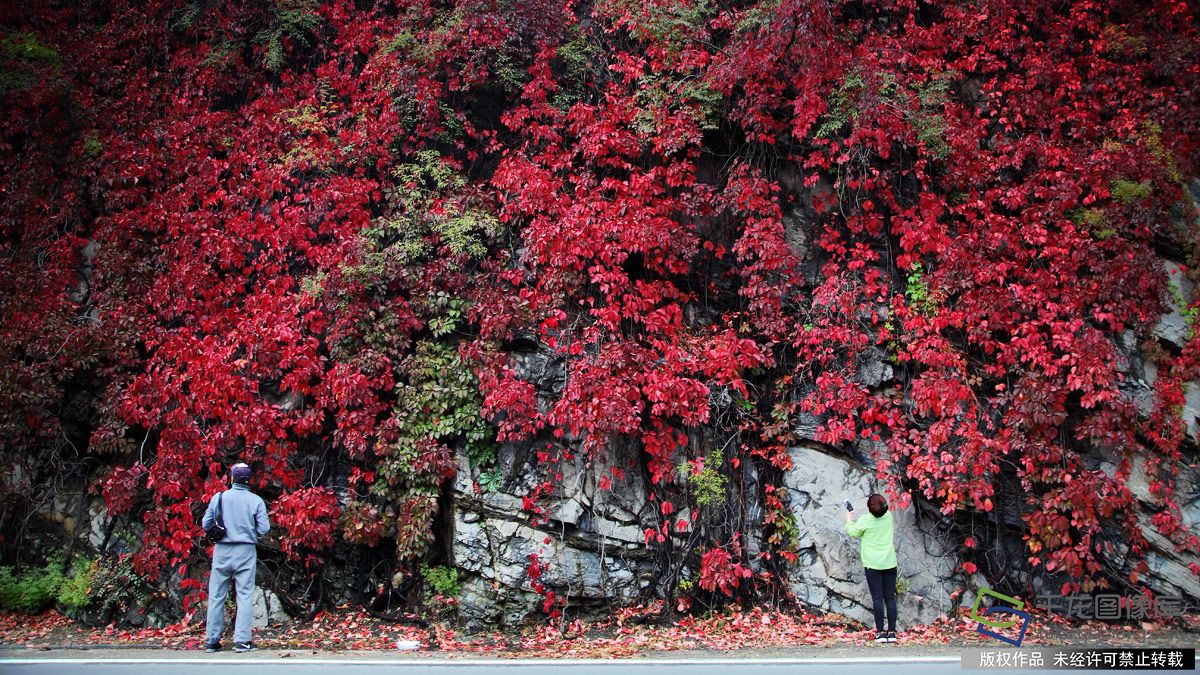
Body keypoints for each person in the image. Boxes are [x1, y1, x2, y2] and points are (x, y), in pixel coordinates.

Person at [203, 462, 270, 653]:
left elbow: (206, 523)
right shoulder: (256, 501)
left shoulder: (219, 497)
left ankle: (212, 641)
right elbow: (264, 529)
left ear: (232, 478)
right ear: (248, 480)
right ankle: (242, 641)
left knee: (216, 596)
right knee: (244, 596)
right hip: (245, 551)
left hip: (222, 550)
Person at [845, 493, 898, 643]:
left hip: (873, 565)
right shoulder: (888, 516)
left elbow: (852, 531)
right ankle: (892, 633)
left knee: (877, 598)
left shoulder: (865, 521)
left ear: (870, 509)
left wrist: (849, 516)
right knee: (890, 598)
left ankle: (880, 633)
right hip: (889, 563)